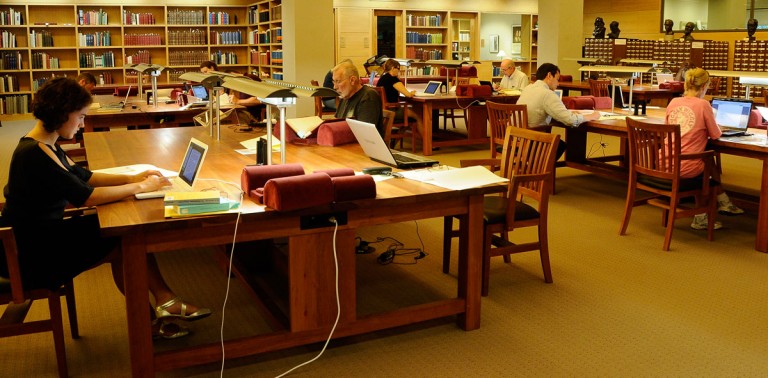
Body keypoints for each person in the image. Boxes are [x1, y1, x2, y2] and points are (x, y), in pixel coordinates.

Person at [0, 77, 211, 339]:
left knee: (119, 236)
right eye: (80, 117)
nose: (82, 124)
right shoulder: (34, 154)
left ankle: (160, 310)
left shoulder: (45, 144)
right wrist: (142, 188)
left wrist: (133, 177)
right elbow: (86, 196)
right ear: (63, 113)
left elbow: (84, 176)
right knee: (122, 237)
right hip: (30, 256)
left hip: (37, 239)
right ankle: (160, 309)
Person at [664, 67, 744, 230]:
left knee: (705, 158)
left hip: (664, 163)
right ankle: (701, 217)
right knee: (706, 160)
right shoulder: (703, 104)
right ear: (704, 86)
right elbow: (715, 135)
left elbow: (668, 129)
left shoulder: (673, 102)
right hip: (684, 167)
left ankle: (724, 201)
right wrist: (717, 126)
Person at [517, 63, 600, 159]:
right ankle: (537, 169)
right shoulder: (548, 94)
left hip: (515, 136)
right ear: (549, 76)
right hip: (531, 139)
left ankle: (531, 167)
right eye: (557, 79)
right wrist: (592, 116)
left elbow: (539, 109)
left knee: (558, 142)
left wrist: (566, 113)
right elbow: (570, 120)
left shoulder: (528, 88)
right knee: (559, 144)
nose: (558, 83)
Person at [332, 60, 383, 136]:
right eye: (334, 82)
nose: (334, 87)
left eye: (338, 81)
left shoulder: (368, 97)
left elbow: (365, 133)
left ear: (352, 80)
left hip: (362, 146)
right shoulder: (345, 97)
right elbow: (336, 123)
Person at [375, 58, 424, 136]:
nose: (399, 71)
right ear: (392, 68)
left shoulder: (382, 78)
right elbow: (407, 94)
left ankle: (397, 137)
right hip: (393, 111)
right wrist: (413, 92)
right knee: (418, 116)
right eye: (398, 69)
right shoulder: (393, 80)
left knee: (412, 113)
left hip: (383, 111)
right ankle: (427, 143)